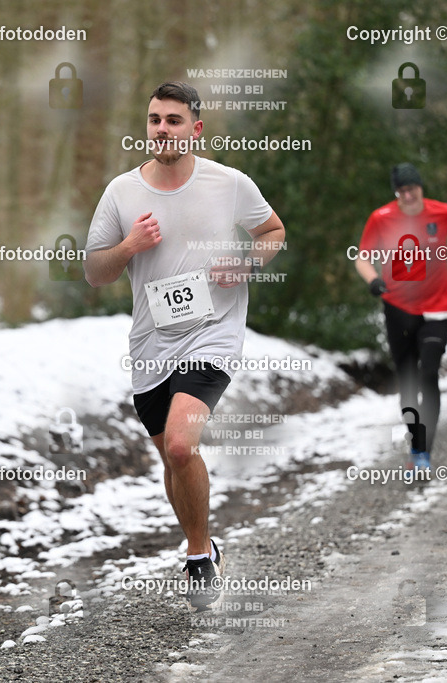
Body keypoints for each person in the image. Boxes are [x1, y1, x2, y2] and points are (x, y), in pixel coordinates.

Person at [84, 81, 285, 611]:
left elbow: (273, 231)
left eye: (174, 120)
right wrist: (129, 246)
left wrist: (245, 263)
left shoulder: (230, 183)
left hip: (212, 333)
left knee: (179, 444)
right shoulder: (122, 192)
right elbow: (94, 271)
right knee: (173, 460)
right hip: (151, 344)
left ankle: (198, 555)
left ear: (195, 129)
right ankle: (206, 543)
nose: (162, 129)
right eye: (154, 120)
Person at [355, 163, 447, 471]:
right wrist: (373, 281)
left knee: (428, 374)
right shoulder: (381, 218)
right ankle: (415, 443)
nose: (407, 196)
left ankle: (425, 451)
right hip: (397, 308)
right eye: (401, 191)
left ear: (421, 188)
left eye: (412, 189)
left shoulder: (443, 213)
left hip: (437, 307)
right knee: (408, 381)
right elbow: (363, 257)